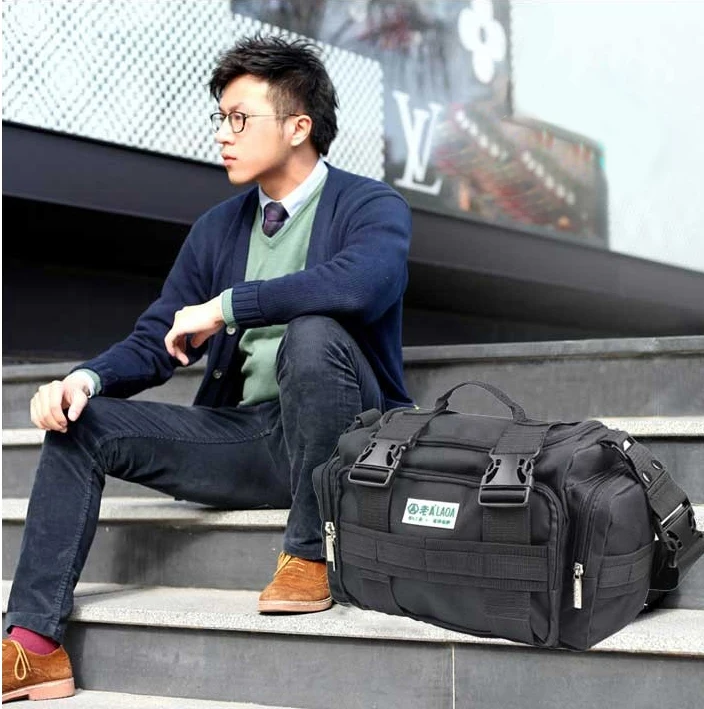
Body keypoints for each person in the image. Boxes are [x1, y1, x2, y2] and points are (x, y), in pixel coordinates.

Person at [2, 33, 413, 703]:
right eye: (220, 118)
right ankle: (33, 647)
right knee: (81, 424)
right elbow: (157, 337)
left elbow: (360, 285)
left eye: (240, 118)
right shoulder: (219, 229)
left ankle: (309, 552)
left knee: (312, 333)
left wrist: (227, 307)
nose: (223, 134)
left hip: (349, 442)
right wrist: (86, 379)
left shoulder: (371, 206)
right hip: (252, 439)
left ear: (298, 126)